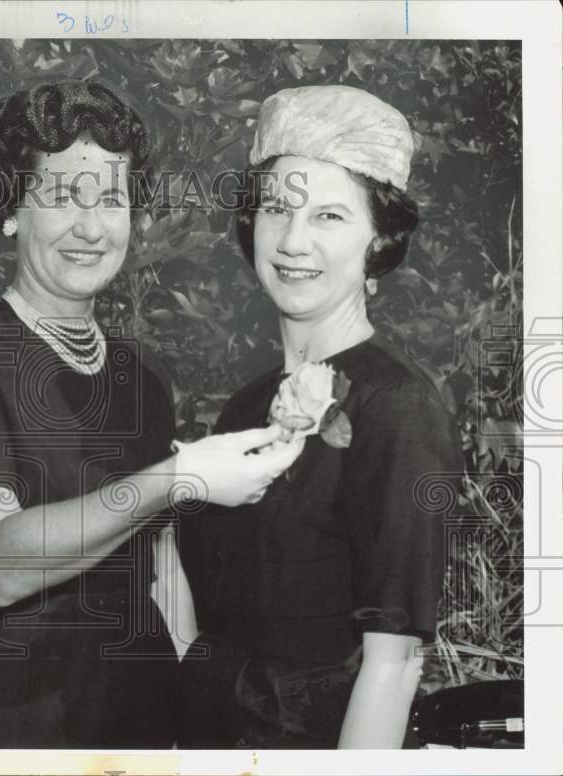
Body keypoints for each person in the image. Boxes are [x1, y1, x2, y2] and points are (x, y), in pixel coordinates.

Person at [0, 79, 303, 748]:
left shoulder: (141, 374)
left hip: (137, 725)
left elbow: (158, 561)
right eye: (63, 197)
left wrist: (187, 698)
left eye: (111, 199)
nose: (91, 227)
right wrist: (176, 477)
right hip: (11, 730)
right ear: (8, 211)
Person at [178, 85, 462, 749]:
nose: (293, 241)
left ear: (380, 239)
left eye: (330, 216)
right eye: (277, 209)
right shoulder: (245, 406)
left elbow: (392, 665)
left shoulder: (397, 407)